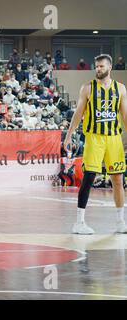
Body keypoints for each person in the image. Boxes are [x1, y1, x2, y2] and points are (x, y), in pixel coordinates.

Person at [64, 54, 127, 234]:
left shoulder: (120, 89)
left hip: (114, 138)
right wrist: (69, 135)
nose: (98, 69)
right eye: (96, 66)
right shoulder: (88, 88)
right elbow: (78, 114)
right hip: (94, 137)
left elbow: (125, 115)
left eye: (101, 66)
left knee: (117, 179)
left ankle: (120, 221)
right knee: (89, 177)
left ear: (110, 68)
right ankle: (79, 222)